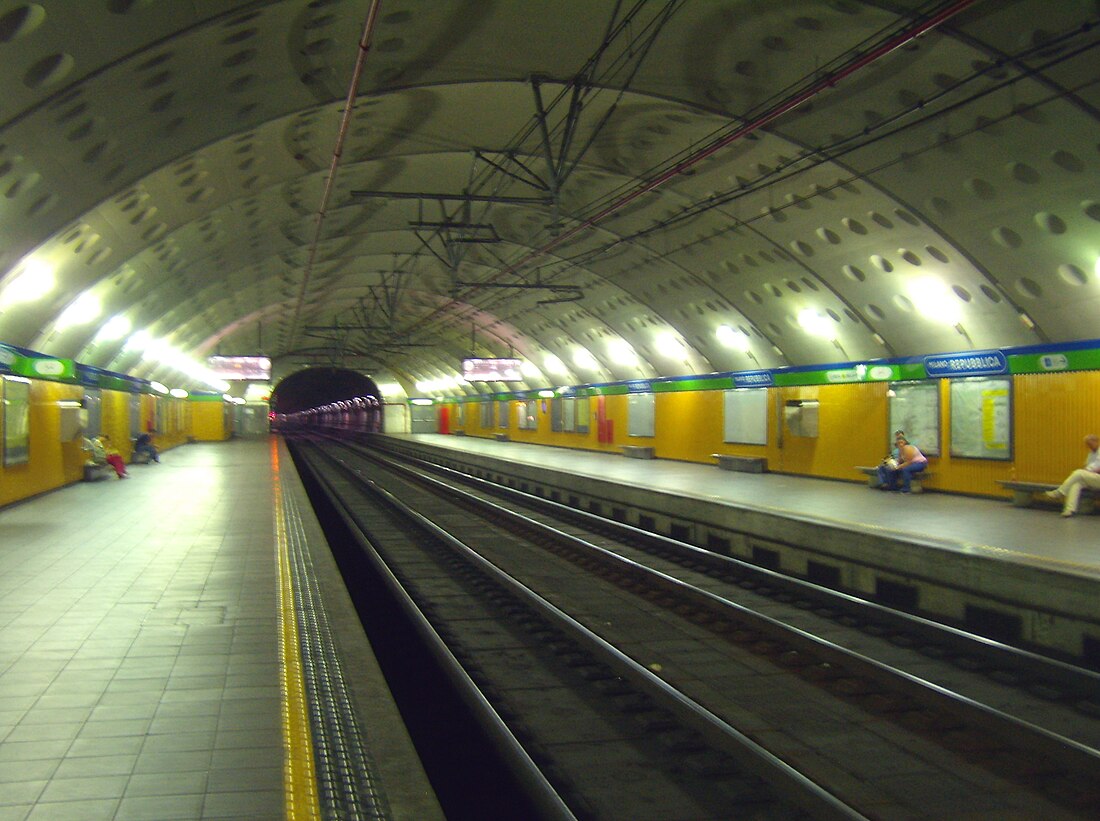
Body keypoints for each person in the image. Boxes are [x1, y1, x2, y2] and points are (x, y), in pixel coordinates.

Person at [1045, 434, 1100, 517]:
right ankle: (1069, 510)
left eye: (1090, 443)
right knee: (1076, 484)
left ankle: (1059, 492)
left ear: (1096, 442)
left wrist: (1086, 472)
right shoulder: (1090, 453)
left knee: (1078, 472)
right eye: (1087, 444)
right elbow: (1087, 466)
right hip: (1093, 478)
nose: (1088, 446)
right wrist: (1086, 472)